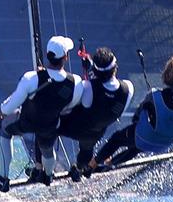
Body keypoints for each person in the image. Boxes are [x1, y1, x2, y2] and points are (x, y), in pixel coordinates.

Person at [0, 35, 83, 191]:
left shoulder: (31, 78)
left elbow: (10, 106)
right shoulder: (76, 82)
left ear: (47, 56)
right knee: (47, 147)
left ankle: (3, 178)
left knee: (5, 128)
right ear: (65, 57)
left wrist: (2, 111)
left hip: (27, 122)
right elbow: (69, 107)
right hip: (50, 125)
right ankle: (49, 175)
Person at [86, 54, 173, 172]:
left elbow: (136, 117)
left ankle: (91, 165)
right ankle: (110, 164)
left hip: (144, 138)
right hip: (165, 144)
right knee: (136, 147)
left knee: (117, 138)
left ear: (167, 74)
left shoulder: (154, 95)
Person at [56, 46, 134, 181]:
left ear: (95, 71)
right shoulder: (128, 88)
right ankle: (80, 169)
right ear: (115, 67)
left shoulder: (88, 87)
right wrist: (93, 72)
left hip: (75, 127)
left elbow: (85, 101)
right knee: (86, 149)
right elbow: (107, 90)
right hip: (96, 133)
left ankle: (42, 168)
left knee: (47, 126)